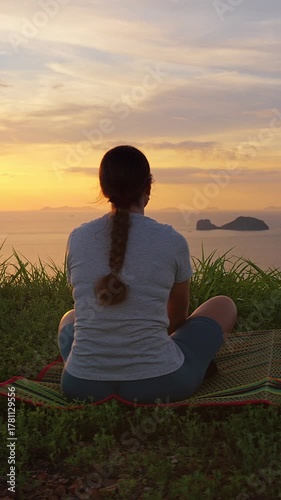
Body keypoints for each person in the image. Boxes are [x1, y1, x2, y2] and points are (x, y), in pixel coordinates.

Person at [58, 145, 237, 404]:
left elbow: (86, 306)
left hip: (80, 384)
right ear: (148, 188)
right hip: (161, 382)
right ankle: (189, 363)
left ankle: (93, 362)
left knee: (71, 317)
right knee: (223, 305)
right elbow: (177, 319)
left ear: (104, 189)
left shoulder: (78, 238)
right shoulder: (171, 240)